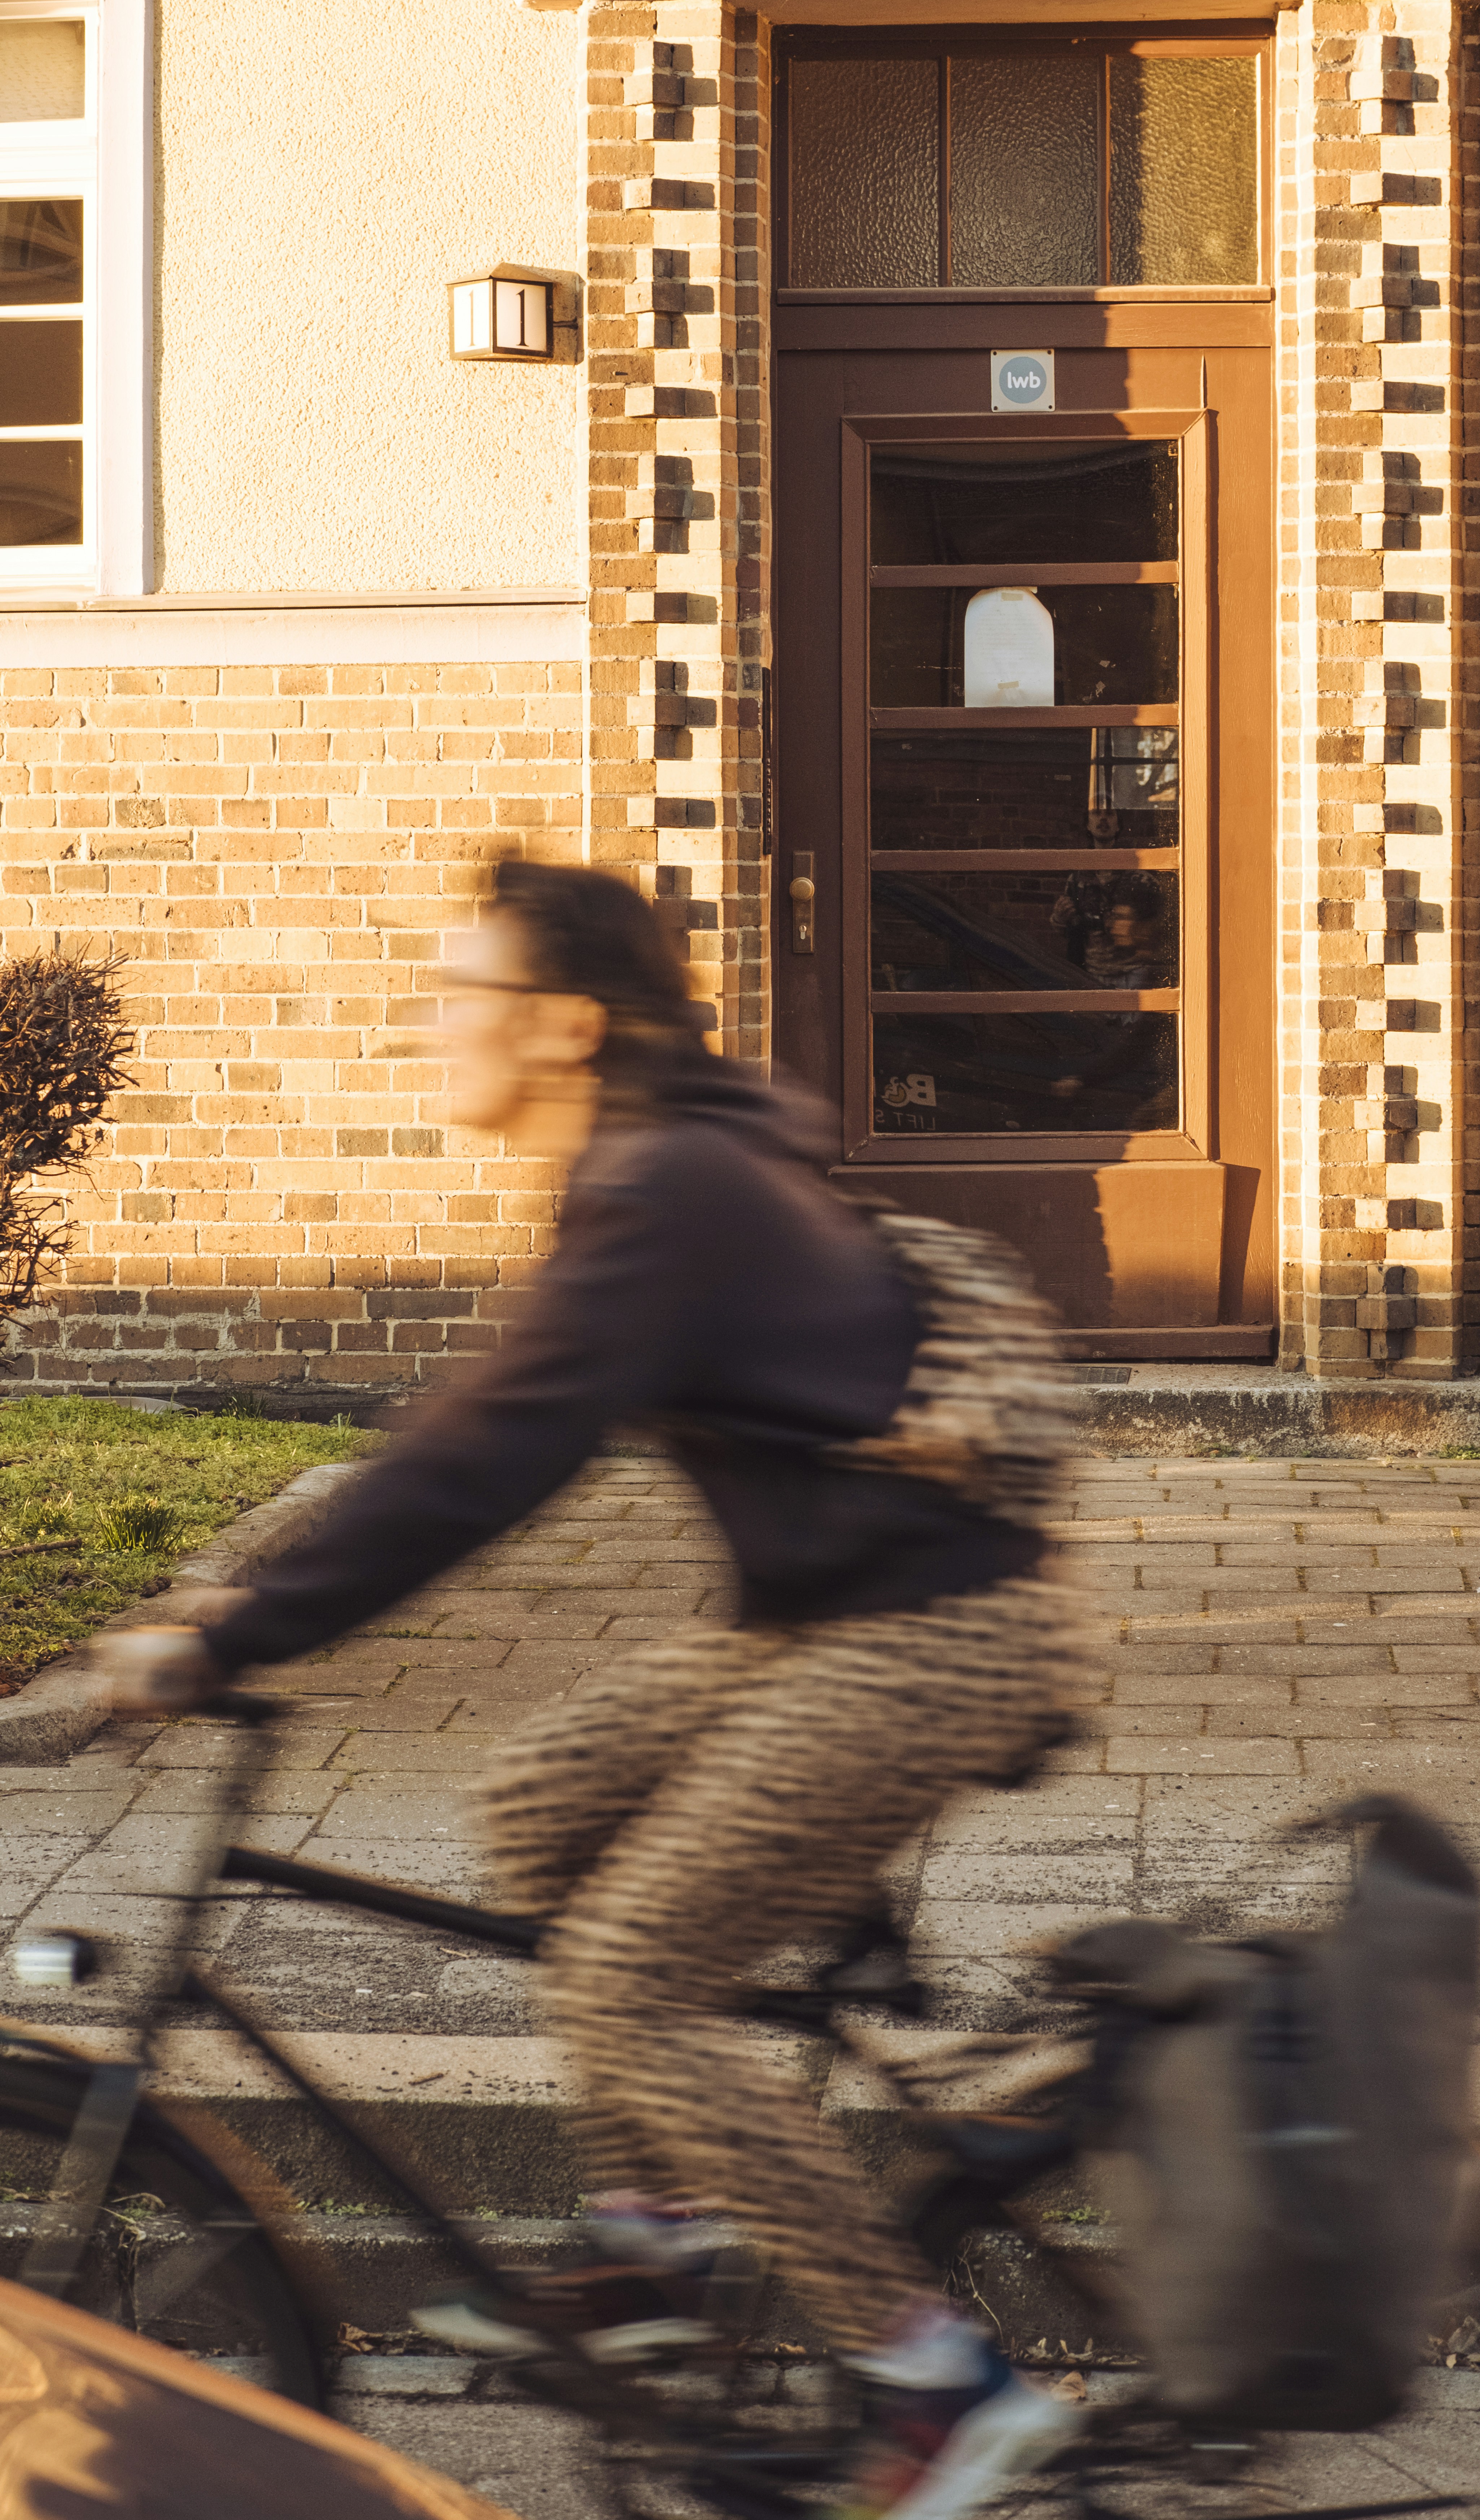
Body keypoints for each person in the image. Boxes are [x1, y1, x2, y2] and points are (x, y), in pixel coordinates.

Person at [97, 859, 1088, 2520]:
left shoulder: (668, 1186)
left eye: (454, 994)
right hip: (826, 1619)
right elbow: (482, 1418)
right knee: (541, 1801)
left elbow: (492, 1455)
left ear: (562, 1024)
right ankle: (663, 2240)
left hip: (930, 1640)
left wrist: (233, 1634)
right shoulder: (662, 1163)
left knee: (633, 1985)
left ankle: (948, 2393)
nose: (431, 1027)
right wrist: (247, 1598)